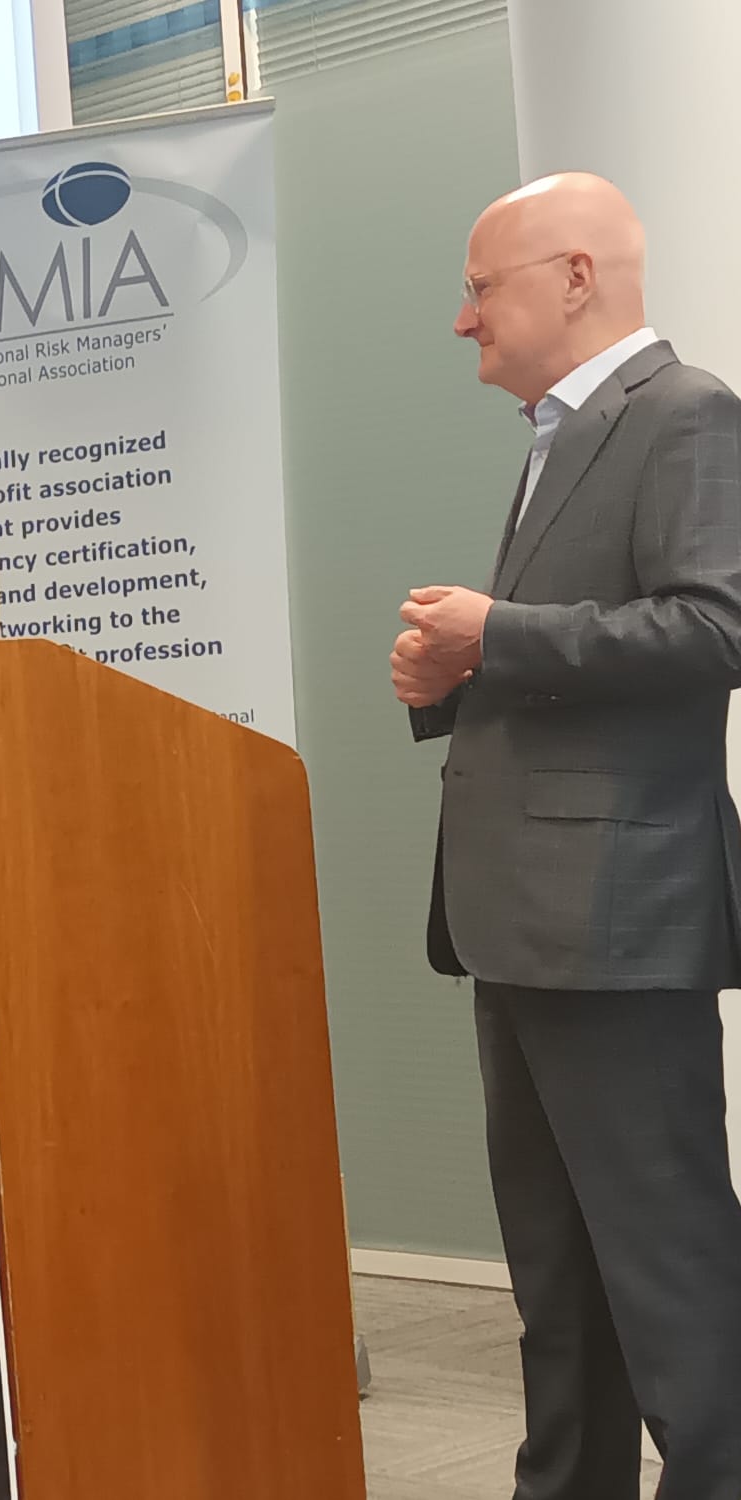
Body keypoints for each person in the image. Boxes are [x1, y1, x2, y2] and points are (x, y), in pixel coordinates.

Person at [391, 172, 741, 1499]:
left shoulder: (685, 412)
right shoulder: (560, 435)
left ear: (576, 277)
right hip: (524, 921)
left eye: (480, 288)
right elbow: (575, 663)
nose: (462, 320)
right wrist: (456, 676)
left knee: (668, 1268)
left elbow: (717, 625)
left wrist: (498, 633)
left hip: (616, 919)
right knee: (559, 1278)